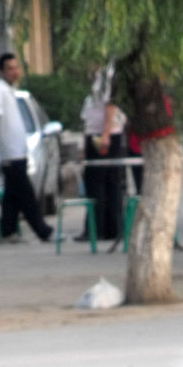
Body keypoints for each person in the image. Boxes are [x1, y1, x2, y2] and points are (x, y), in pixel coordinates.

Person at [0, 53, 53, 244]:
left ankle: (8, 231)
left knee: (12, 195)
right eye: (10, 68)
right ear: (2, 71)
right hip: (11, 154)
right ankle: (43, 230)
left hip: (18, 152)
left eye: (16, 67)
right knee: (26, 194)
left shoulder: (10, 90)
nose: (14, 71)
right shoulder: (0, 90)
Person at [77, 64, 126, 241]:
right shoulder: (100, 77)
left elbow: (110, 107)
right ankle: (109, 228)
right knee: (106, 182)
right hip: (98, 134)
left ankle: (97, 228)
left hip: (103, 136)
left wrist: (105, 136)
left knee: (97, 184)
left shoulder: (106, 77)